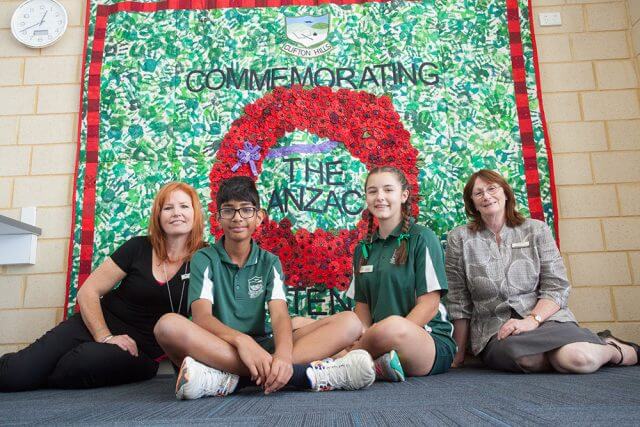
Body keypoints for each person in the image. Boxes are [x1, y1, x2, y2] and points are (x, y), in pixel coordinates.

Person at [153, 176, 375, 400]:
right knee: (167, 326)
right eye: (228, 210)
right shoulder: (205, 258)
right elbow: (202, 318)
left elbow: (279, 316)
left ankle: (232, 380)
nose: (237, 217)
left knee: (350, 323)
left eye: (246, 210)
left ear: (259, 217)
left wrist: (283, 356)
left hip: (264, 344)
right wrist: (242, 341)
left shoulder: (270, 262)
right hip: (221, 345)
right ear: (218, 218)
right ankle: (305, 376)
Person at [0, 182, 206, 391]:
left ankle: (40, 376)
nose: (176, 213)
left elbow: (209, 316)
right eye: (168, 208)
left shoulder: (206, 258)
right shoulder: (138, 247)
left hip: (138, 351)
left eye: (183, 206)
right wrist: (105, 336)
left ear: (195, 213)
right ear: (158, 215)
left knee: (81, 362)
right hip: (93, 325)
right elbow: (88, 291)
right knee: (14, 375)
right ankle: (28, 372)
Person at [446, 169, 639, 373]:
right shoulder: (459, 239)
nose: (486, 196)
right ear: (472, 203)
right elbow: (460, 302)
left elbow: (557, 287)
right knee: (526, 358)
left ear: (505, 192)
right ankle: (570, 353)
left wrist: (531, 321)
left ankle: (613, 348)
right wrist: (458, 355)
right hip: (496, 331)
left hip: (546, 320)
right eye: (478, 193)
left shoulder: (536, 230)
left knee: (578, 360)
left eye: (492, 188)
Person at [346, 166, 457, 381]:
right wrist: (369, 336)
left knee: (393, 326)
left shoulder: (423, 238)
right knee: (336, 326)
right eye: (372, 191)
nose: (380, 197)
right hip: (376, 340)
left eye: (388, 190)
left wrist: (378, 337)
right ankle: (374, 365)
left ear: (404, 195)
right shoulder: (363, 249)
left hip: (427, 340)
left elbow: (429, 305)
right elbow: (362, 308)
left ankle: (344, 363)